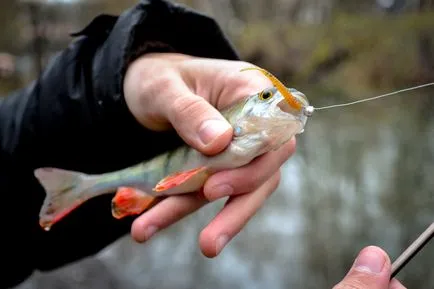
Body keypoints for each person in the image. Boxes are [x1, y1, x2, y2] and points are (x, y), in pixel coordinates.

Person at [0, 0, 406, 288]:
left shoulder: (258, 141)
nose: (278, 101)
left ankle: (81, 185)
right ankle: (81, 185)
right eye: (266, 98)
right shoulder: (226, 135)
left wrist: (122, 83)